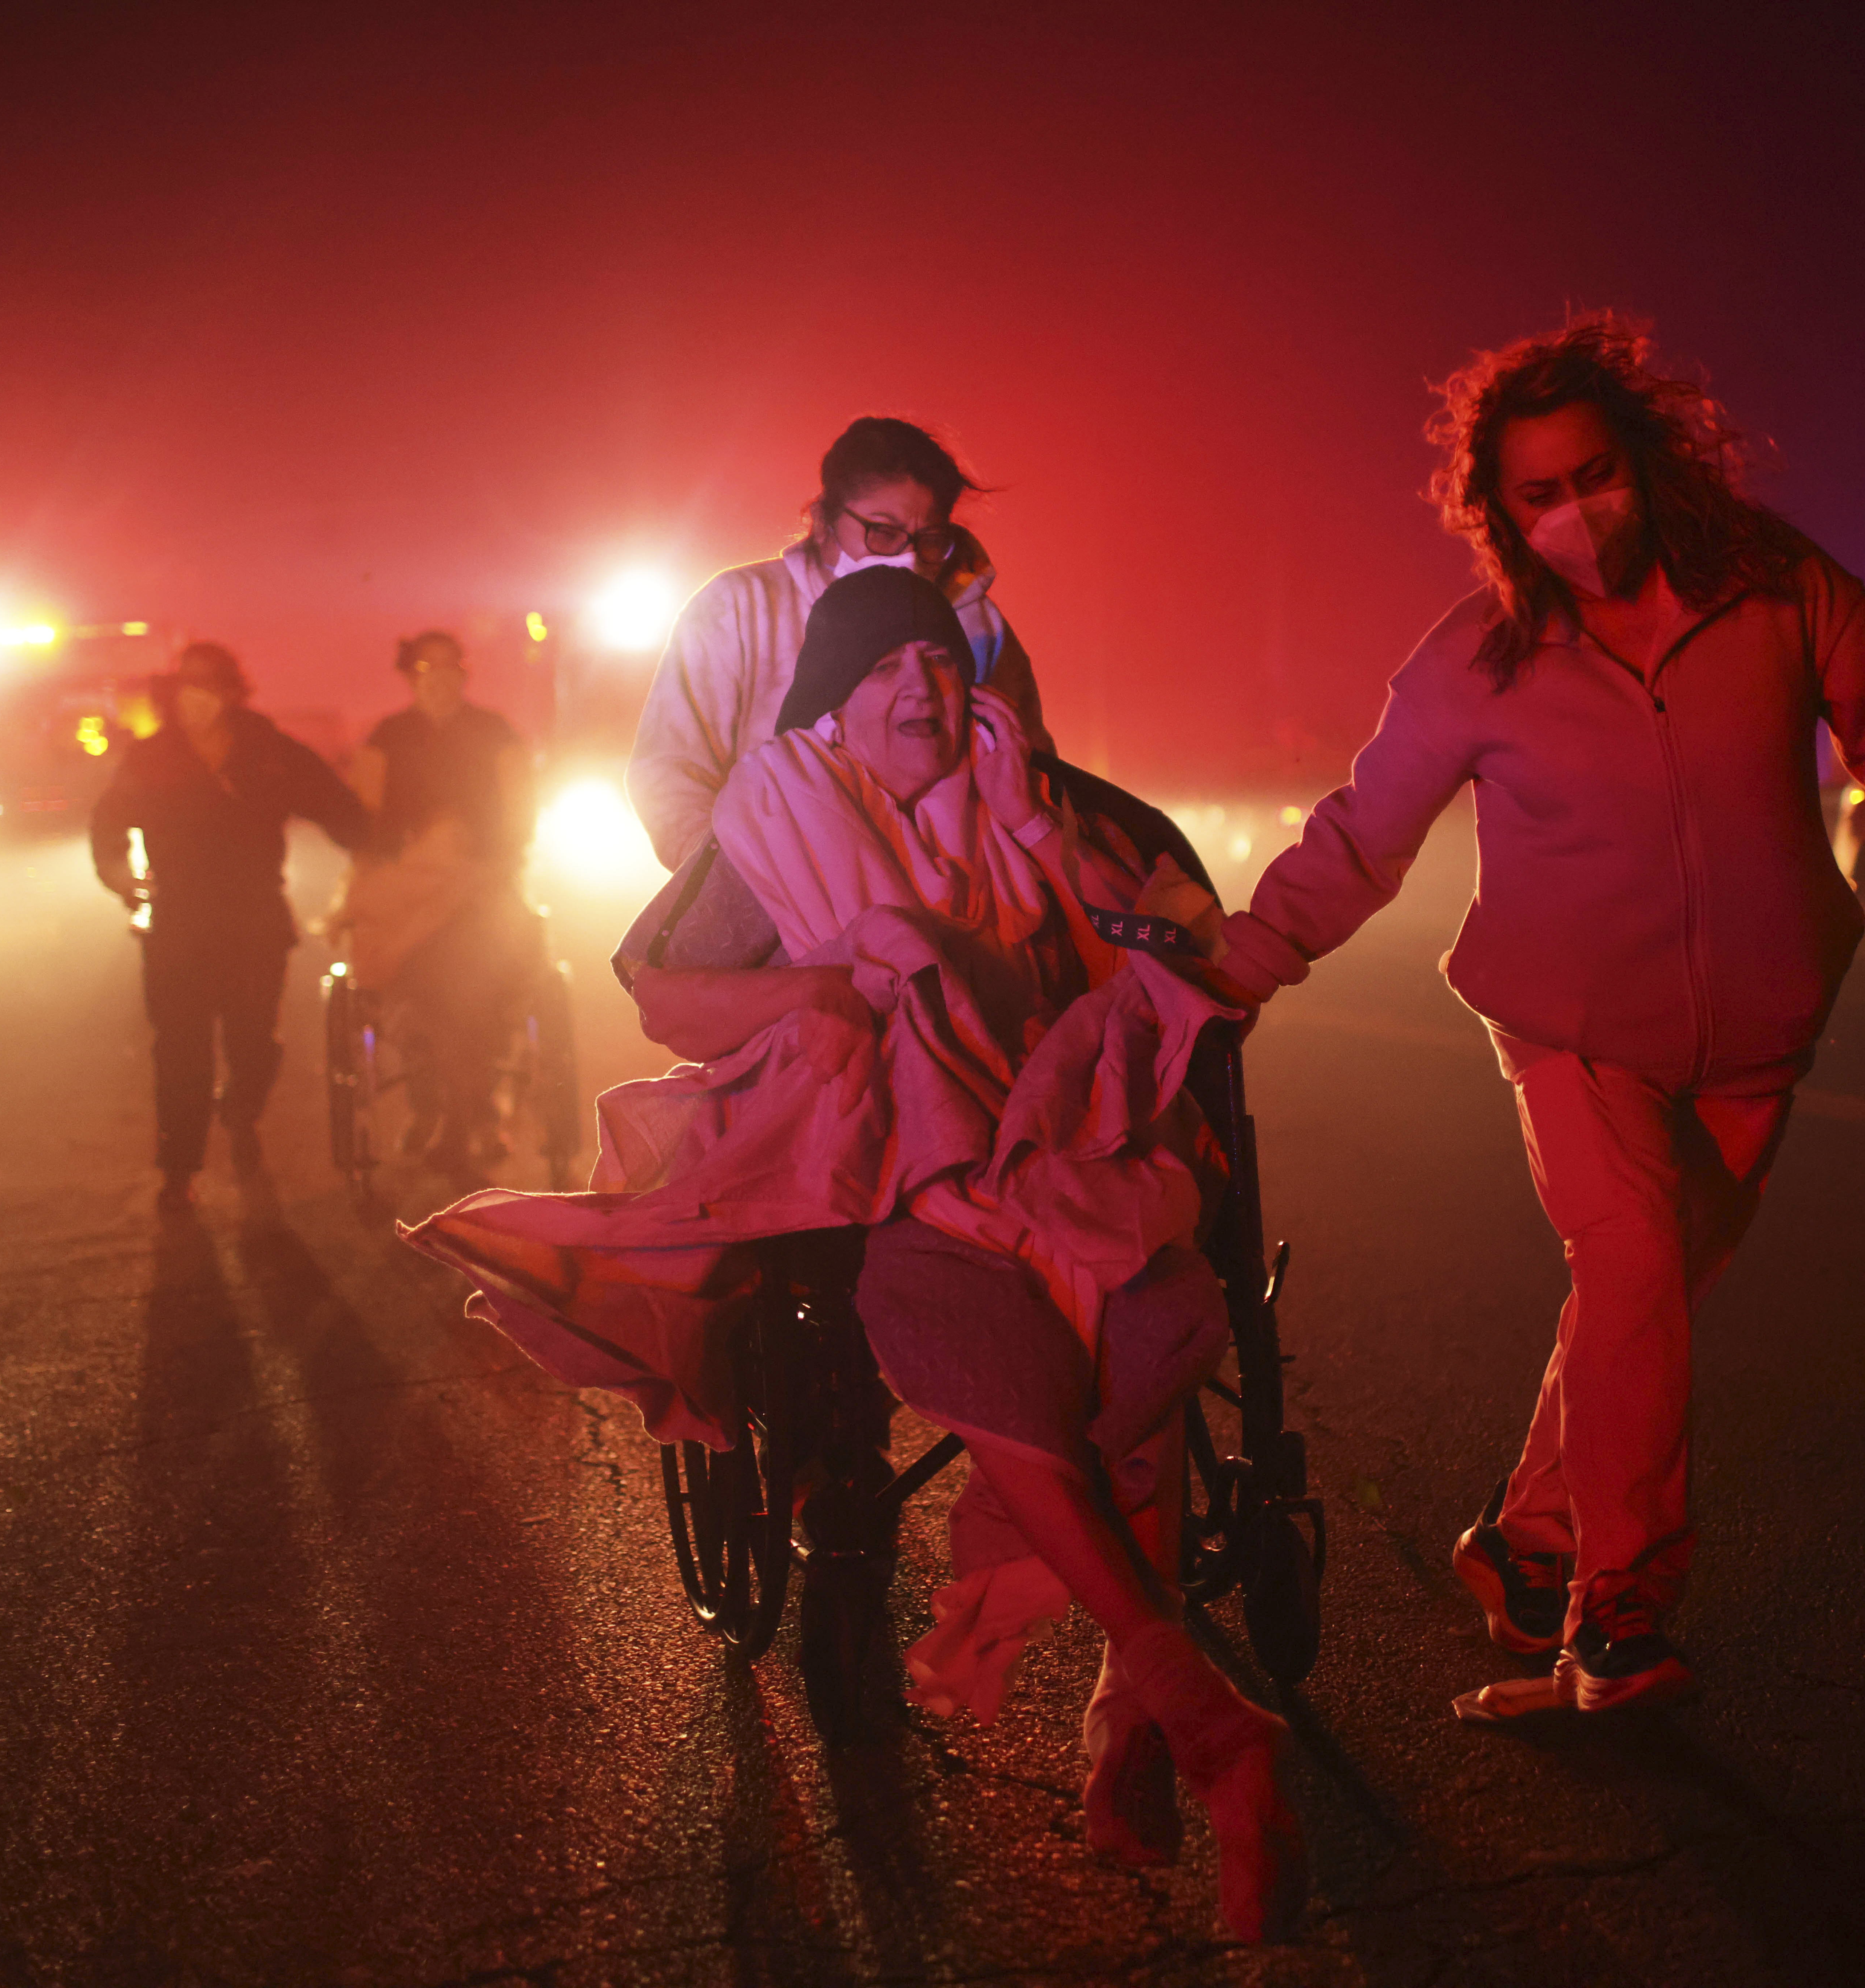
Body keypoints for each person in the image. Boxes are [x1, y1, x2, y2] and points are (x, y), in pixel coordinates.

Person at [1209, 317, 1865, 1718]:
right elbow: (1364, 831)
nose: (1576, 513)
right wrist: (1244, 957)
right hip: (1567, 1023)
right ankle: (1615, 1617)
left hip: (1759, 1025)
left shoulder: (1775, 585)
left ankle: (1522, 1546)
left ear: (1643, 460)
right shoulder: (1478, 656)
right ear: (1501, 517)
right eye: (1538, 496)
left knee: (1638, 1305)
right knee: (1629, 1263)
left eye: (1594, 475)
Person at [409, 570, 1304, 1943]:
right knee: (960, 1318)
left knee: (1148, 1309)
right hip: (893, 1181)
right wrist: (847, 973)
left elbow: (1182, 956)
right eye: (888, 668)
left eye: (944, 666)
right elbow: (661, 989)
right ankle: (1185, 1701)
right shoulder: (776, 814)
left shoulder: (1049, 805)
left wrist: (1031, 841)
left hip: (1071, 1153)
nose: (925, 691)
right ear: (833, 690)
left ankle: (1146, 1696)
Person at [627, 414, 1054, 867]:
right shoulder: (739, 608)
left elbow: (1033, 772)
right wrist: (752, 893)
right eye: (882, 533)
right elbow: (670, 775)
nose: (906, 559)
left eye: (928, 540)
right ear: (822, 524)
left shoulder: (979, 626)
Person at [90, 640, 369, 1214]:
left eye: (209, 689)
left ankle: (241, 1113)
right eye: (186, 689)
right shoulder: (152, 758)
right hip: (178, 926)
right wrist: (120, 877)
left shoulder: (268, 751)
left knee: (254, 1047)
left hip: (256, 924)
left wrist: (387, 845)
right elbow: (109, 827)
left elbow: (338, 809)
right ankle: (178, 1171)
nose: (196, 701)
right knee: (180, 1052)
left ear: (230, 693)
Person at [340, 630, 536, 1173]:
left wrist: (487, 860)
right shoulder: (388, 737)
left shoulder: (495, 733)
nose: (440, 682)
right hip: (412, 892)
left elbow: (522, 811)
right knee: (419, 997)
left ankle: (468, 1115)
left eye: (451, 671)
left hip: (482, 888)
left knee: (482, 990)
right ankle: (445, 1109)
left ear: (464, 677)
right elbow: (367, 814)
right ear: (412, 679)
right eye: (428, 672)